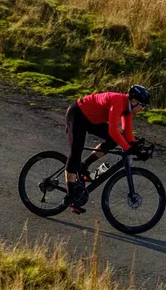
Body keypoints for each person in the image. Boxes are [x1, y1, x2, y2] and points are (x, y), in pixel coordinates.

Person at [63, 85, 150, 214]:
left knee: (113, 141)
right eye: (142, 105)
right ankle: (70, 197)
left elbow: (127, 132)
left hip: (91, 119)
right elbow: (113, 130)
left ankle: (85, 165)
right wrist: (127, 148)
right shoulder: (118, 101)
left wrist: (136, 148)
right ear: (134, 101)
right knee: (75, 154)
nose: (142, 109)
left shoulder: (128, 109)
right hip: (78, 114)